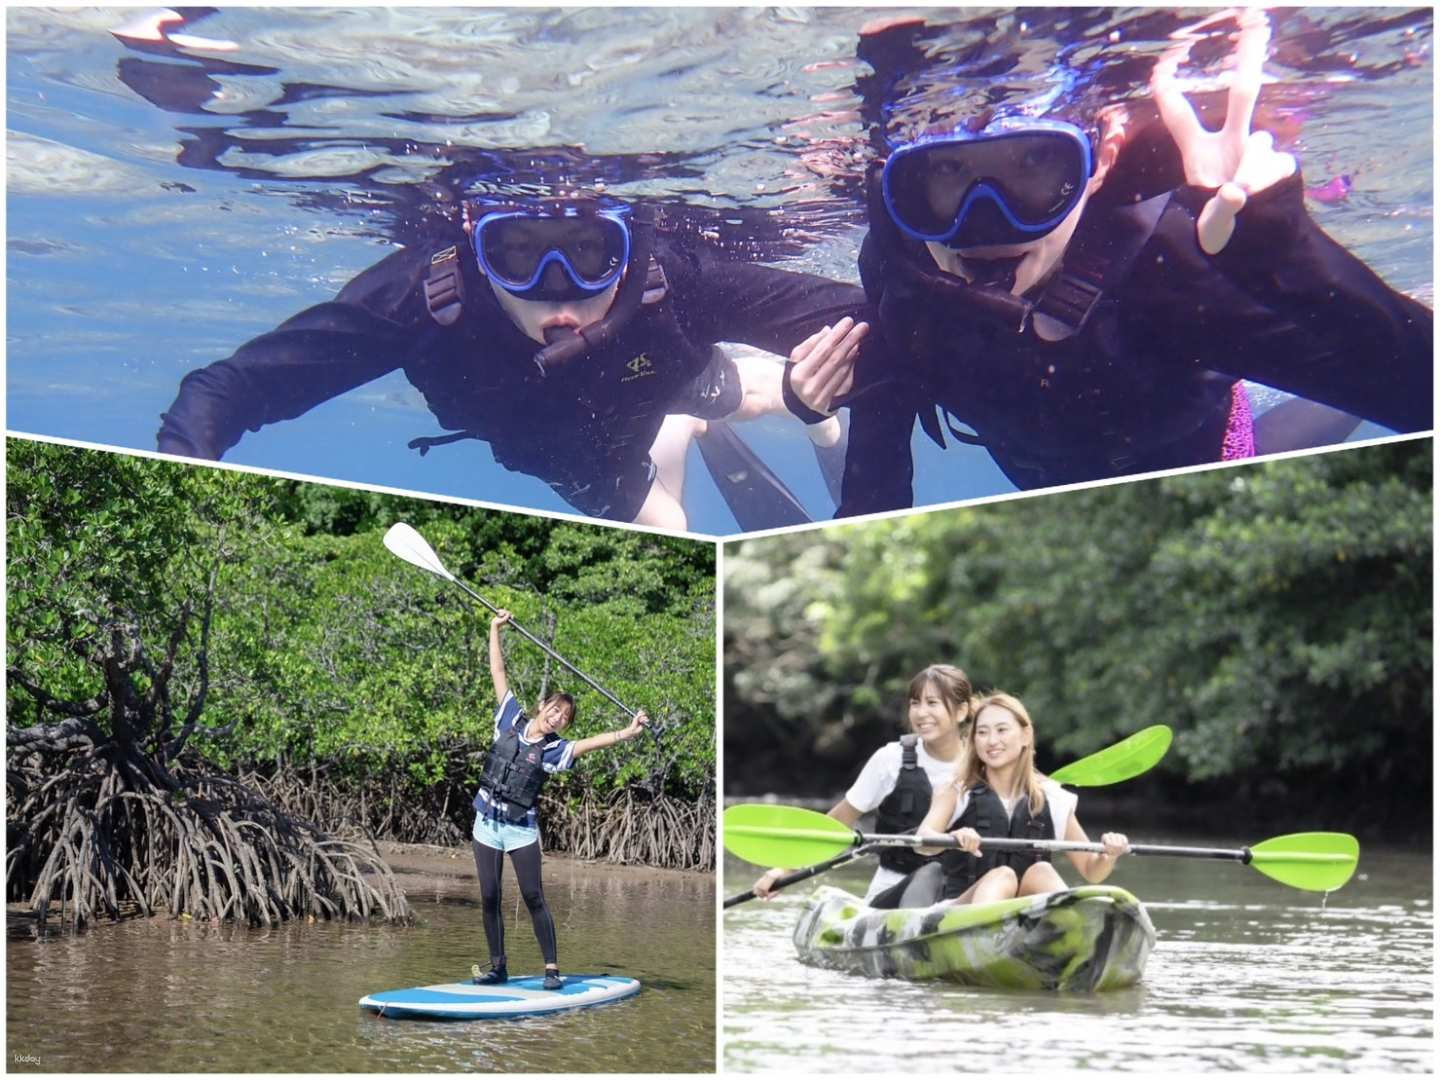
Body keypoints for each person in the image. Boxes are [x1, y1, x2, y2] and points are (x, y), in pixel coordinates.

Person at [838, 10, 1433, 514]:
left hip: (1209, 484)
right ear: (903, 184)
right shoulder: (903, 261)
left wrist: (1291, 263)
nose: (986, 225)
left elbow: (1417, 392)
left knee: (1329, 419)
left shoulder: (1176, 273)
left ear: (1100, 161)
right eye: (945, 173)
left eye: (1032, 166)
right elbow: (883, 395)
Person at [155, 190, 869, 530]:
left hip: (664, 375)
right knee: (671, 530)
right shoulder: (421, 299)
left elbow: (875, 317)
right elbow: (235, 388)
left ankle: (815, 425)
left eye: (590, 253)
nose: (557, 292)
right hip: (570, 457)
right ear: (475, 246)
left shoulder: (671, 278)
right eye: (518, 254)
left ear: (631, 246)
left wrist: (822, 386)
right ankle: (680, 433)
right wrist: (179, 489)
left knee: (754, 394)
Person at [471, 609, 648, 990]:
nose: (558, 718)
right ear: (542, 707)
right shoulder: (509, 718)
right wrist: (494, 629)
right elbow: (498, 673)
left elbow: (591, 743)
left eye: (565, 717)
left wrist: (628, 732)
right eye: (554, 710)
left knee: (533, 895)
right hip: (485, 825)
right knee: (488, 896)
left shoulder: (555, 751)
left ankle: (552, 969)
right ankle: (497, 967)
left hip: (520, 830)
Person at [751, 664, 972, 908]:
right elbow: (836, 824)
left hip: (961, 896)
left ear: (961, 711)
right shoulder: (890, 760)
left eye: (932, 703)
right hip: (892, 895)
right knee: (930, 874)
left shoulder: (985, 763)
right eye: (915, 703)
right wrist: (785, 870)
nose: (921, 713)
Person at [907, 692, 1128, 906]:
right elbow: (923, 842)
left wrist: (1108, 854)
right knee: (1003, 876)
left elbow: (1092, 871)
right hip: (960, 912)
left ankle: (1069, 931)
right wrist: (954, 836)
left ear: (1025, 735)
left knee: (1042, 871)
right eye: (982, 732)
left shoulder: (1052, 797)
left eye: (1002, 730)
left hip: (1024, 916)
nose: (992, 741)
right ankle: (986, 935)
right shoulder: (957, 790)